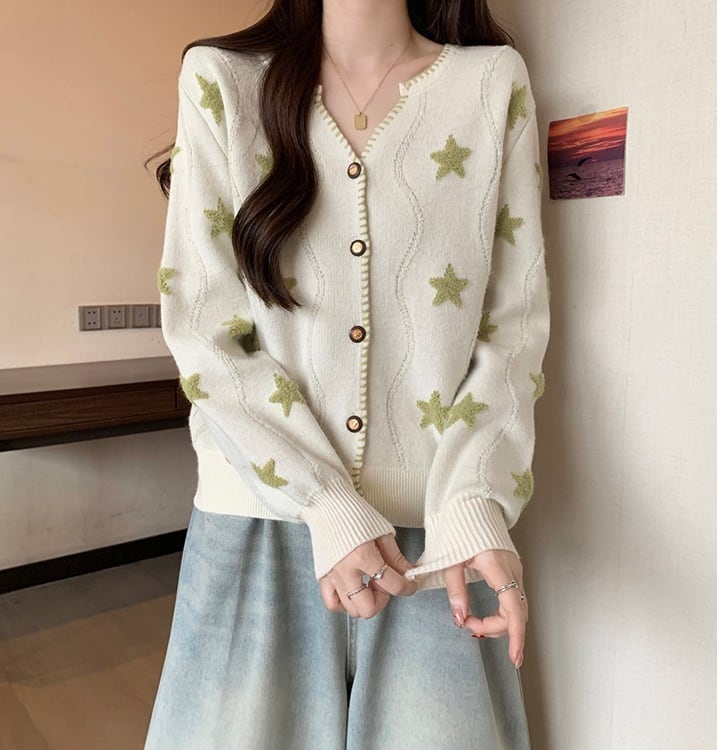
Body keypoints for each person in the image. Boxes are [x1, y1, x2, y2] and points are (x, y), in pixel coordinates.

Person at [143, 0, 549, 747]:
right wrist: (326, 501)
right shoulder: (222, 82)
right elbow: (205, 332)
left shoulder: (492, 83)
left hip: (440, 543)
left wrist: (475, 502)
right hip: (258, 525)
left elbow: (512, 333)